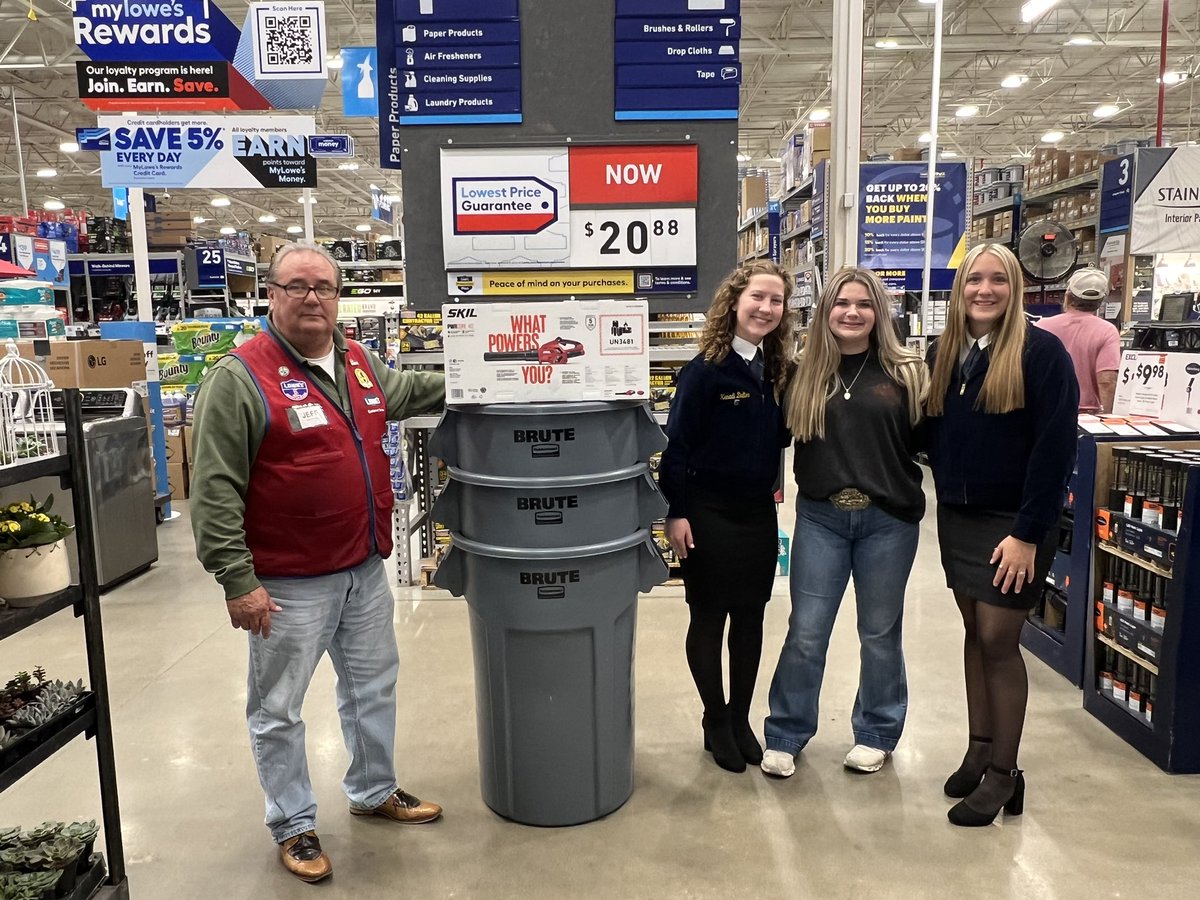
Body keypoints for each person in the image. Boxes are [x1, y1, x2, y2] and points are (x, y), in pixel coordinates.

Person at [190, 244, 445, 882]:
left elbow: (412, 391)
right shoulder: (240, 377)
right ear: (271, 295)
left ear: (338, 297)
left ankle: (373, 789)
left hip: (363, 568)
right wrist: (237, 580)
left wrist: (495, 377)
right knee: (278, 708)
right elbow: (215, 488)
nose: (312, 298)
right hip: (287, 583)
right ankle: (293, 823)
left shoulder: (359, 361)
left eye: (324, 287)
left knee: (372, 686)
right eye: (297, 286)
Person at [925, 243, 1078, 827]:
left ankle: (1004, 774)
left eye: (998, 280)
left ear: (1015, 289)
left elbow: (1054, 452)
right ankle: (979, 748)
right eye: (974, 280)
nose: (984, 290)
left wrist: (1028, 533)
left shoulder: (1042, 354)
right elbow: (933, 434)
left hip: (1012, 525)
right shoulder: (945, 352)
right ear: (959, 289)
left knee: (997, 640)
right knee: (974, 633)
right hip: (959, 518)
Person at [760, 267, 929, 779]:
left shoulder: (908, 373)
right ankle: (786, 732)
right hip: (821, 520)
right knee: (806, 631)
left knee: (879, 632)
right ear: (825, 311)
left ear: (879, 312)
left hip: (888, 522)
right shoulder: (800, 372)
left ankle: (877, 731)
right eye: (841, 303)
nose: (851, 313)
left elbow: (933, 444)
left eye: (863, 304)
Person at [659, 261, 795, 773]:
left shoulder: (777, 372)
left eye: (776, 301)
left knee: (752, 616)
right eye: (757, 297)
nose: (766, 308)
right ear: (734, 301)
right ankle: (714, 718)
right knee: (709, 615)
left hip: (757, 512)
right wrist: (675, 513)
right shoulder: (705, 371)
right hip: (707, 511)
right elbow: (676, 448)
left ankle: (740, 717)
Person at [1035, 267, 1121, 412]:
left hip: (1045, 410)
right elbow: (1107, 381)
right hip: (1087, 413)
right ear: (1100, 301)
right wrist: (1107, 416)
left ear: (1068, 296)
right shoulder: (1107, 331)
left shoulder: (1042, 326)